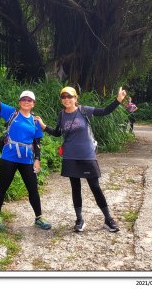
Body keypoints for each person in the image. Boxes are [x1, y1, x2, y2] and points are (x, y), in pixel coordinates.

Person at [35, 86, 127, 233]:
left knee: (95, 187)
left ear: (75, 98)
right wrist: (44, 126)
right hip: (70, 156)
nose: (66, 99)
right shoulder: (62, 115)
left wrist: (118, 100)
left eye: (69, 96)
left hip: (87, 155)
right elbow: (58, 133)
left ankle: (108, 219)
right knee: (75, 188)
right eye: (63, 97)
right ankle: (79, 219)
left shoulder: (84, 110)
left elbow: (104, 111)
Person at [0, 81, 51, 231]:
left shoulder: (36, 121)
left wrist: (37, 160)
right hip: (9, 157)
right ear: (19, 102)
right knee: (3, 186)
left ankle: (39, 218)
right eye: (23, 99)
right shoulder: (12, 113)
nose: (26, 102)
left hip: (27, 159)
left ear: (33, 104)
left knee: (33, 189)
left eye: (29, 100)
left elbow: (37, 142)